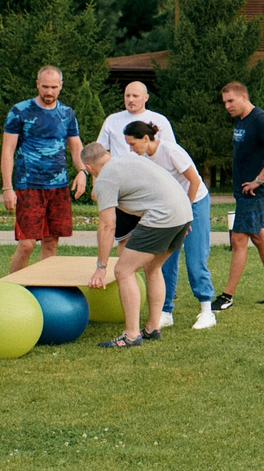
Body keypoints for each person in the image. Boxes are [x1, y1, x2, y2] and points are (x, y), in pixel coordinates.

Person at [82, 138, 193, 348]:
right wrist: (181, 219)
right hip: (184, 212)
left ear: (89, 168)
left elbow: (107, 226)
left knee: (123, 271)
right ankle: (152, 328)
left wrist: (101, 267)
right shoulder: (129, 160)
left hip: (164, 215)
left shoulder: (105, 178)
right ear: (107, 155)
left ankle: (131, 336)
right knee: (153, 267)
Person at [125, 121, 216, 330]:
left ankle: (207, 311)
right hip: (170, 208)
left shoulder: (170, 151)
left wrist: (187, 215)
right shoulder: (145, 160)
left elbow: (194, 181)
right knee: (163, 261)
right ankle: (165, 312)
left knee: (195, 258)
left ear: (145, 138)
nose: (131, 149)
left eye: (132, 144)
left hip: (194, 202)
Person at [215, 80, 264, 310]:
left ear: (243, 97)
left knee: (238, 240)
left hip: (253, 192)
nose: (227, 106)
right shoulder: (240, 119)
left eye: (230, 101)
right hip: (243, 191)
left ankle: (227, 296)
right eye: (224, 102)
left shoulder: (260, 119)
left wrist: (259, 179)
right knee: (259, 238)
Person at [0, 66, 83, 272]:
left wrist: (82, 171)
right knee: (27, 244)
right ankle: (16, 286)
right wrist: (7, 188)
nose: (49, 92)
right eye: (45, 86)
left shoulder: (67, 113)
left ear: (61, 86)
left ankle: (44, 286)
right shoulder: (20, 111)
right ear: (37, 84)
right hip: (28, 185)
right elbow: (8, 150)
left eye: (54, 87)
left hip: (58, 186)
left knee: (51, 242)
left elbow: (76, 146)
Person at [94, 78, 177, 158]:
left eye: (135, 96)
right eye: (127, 96)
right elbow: (100, 150)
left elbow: (170, 150)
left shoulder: (160, 120)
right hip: (119, 167)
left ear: (146, 97)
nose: (130, 100)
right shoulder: (112, 120)